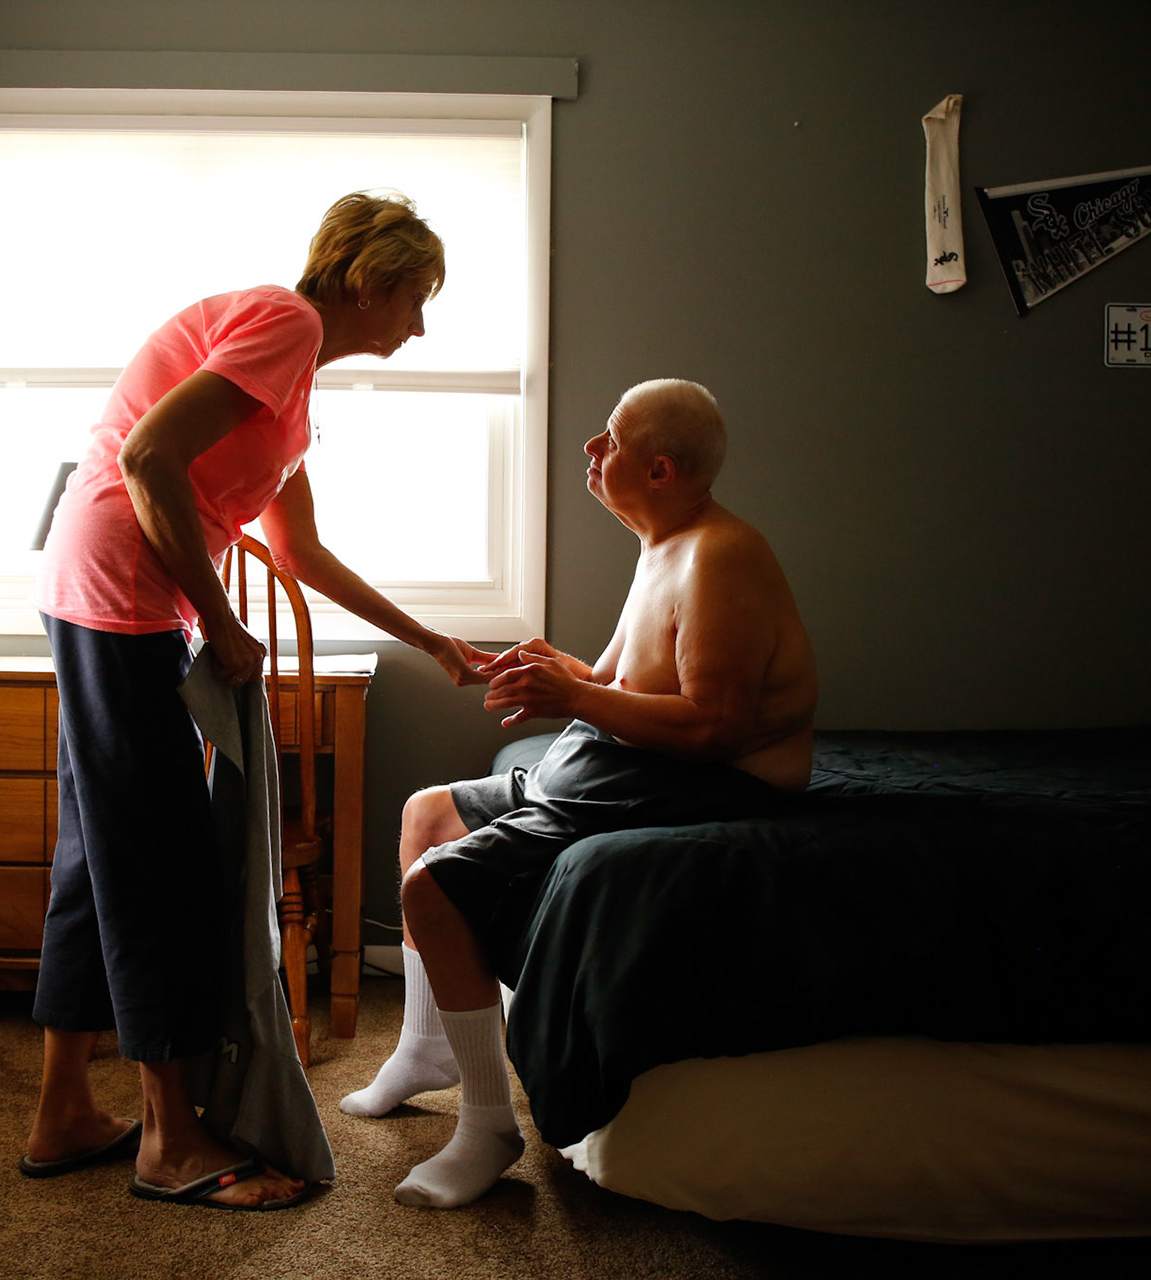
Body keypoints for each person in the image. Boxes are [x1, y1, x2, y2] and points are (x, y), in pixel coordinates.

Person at [29, 191, 494, 1210]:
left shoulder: (288, 374)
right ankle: (170, 1137)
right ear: (373, 281)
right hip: (124, 602)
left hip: (97, 595)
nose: (420, 323)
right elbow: (148, 458)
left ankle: (64, 1110)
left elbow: (301, 552)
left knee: (97, 855)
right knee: (160, 865)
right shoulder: (289, 324)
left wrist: (431, 640)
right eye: (418, 298)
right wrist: (220, 620)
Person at [342, 378, 819, 1208]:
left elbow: (717, 728)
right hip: (629, 760)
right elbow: (624, 679)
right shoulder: (664, 544)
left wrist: (579, 700)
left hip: (697, 780)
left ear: (662, 468)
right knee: (426, 812)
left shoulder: (721, 555)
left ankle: (490, 1127)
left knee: (437, 884)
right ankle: (427, 1047)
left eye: (611, 438)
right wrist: (562, 670)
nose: (593, 452)